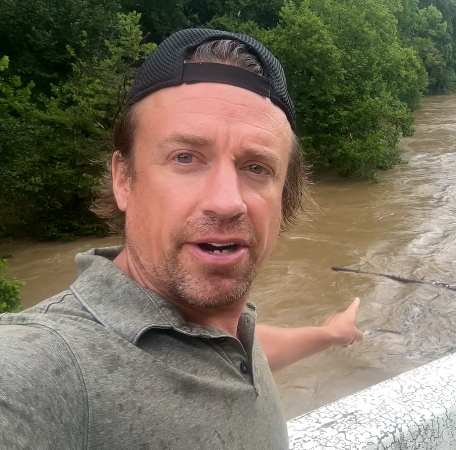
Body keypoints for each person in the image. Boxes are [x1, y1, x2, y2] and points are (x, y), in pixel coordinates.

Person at [0, 29, 363, 450]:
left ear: (285, 196)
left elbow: (231, 354)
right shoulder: (43, 368)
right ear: (124, 178)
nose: (227, 202)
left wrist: (329, 334)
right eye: (185, 157)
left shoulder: (227, 332)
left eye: (257, 167)